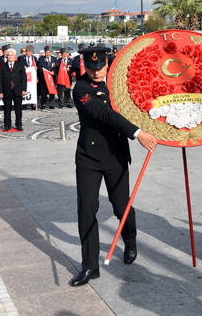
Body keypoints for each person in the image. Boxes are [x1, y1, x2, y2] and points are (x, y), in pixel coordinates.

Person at [68, 46, 158, 287]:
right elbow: (105, 113)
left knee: (122, 207)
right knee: (86, 210)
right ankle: (89, 266)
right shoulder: (81, 89)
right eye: (91, 68)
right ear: (84, 66)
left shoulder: (118, 84)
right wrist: (138, 133)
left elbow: (140, 101)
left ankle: (130, 241)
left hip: (115, 156)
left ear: (107, 64)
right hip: (89, 157)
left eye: (100, 67)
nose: (96, 72)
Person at [0, 48, 26, 132]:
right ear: (6, 56)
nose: (10, 57)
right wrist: (0, 91)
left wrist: (24, 89)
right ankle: (7, 125)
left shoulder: (20, 65)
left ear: (14, 56)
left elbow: (24, 78)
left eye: (11, 55)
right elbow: (0, 80)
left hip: (18, 90)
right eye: (8, 55)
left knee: (18, 109)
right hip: (7, 91)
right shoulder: (3, 66)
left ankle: (19, 124)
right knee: (7, 109)